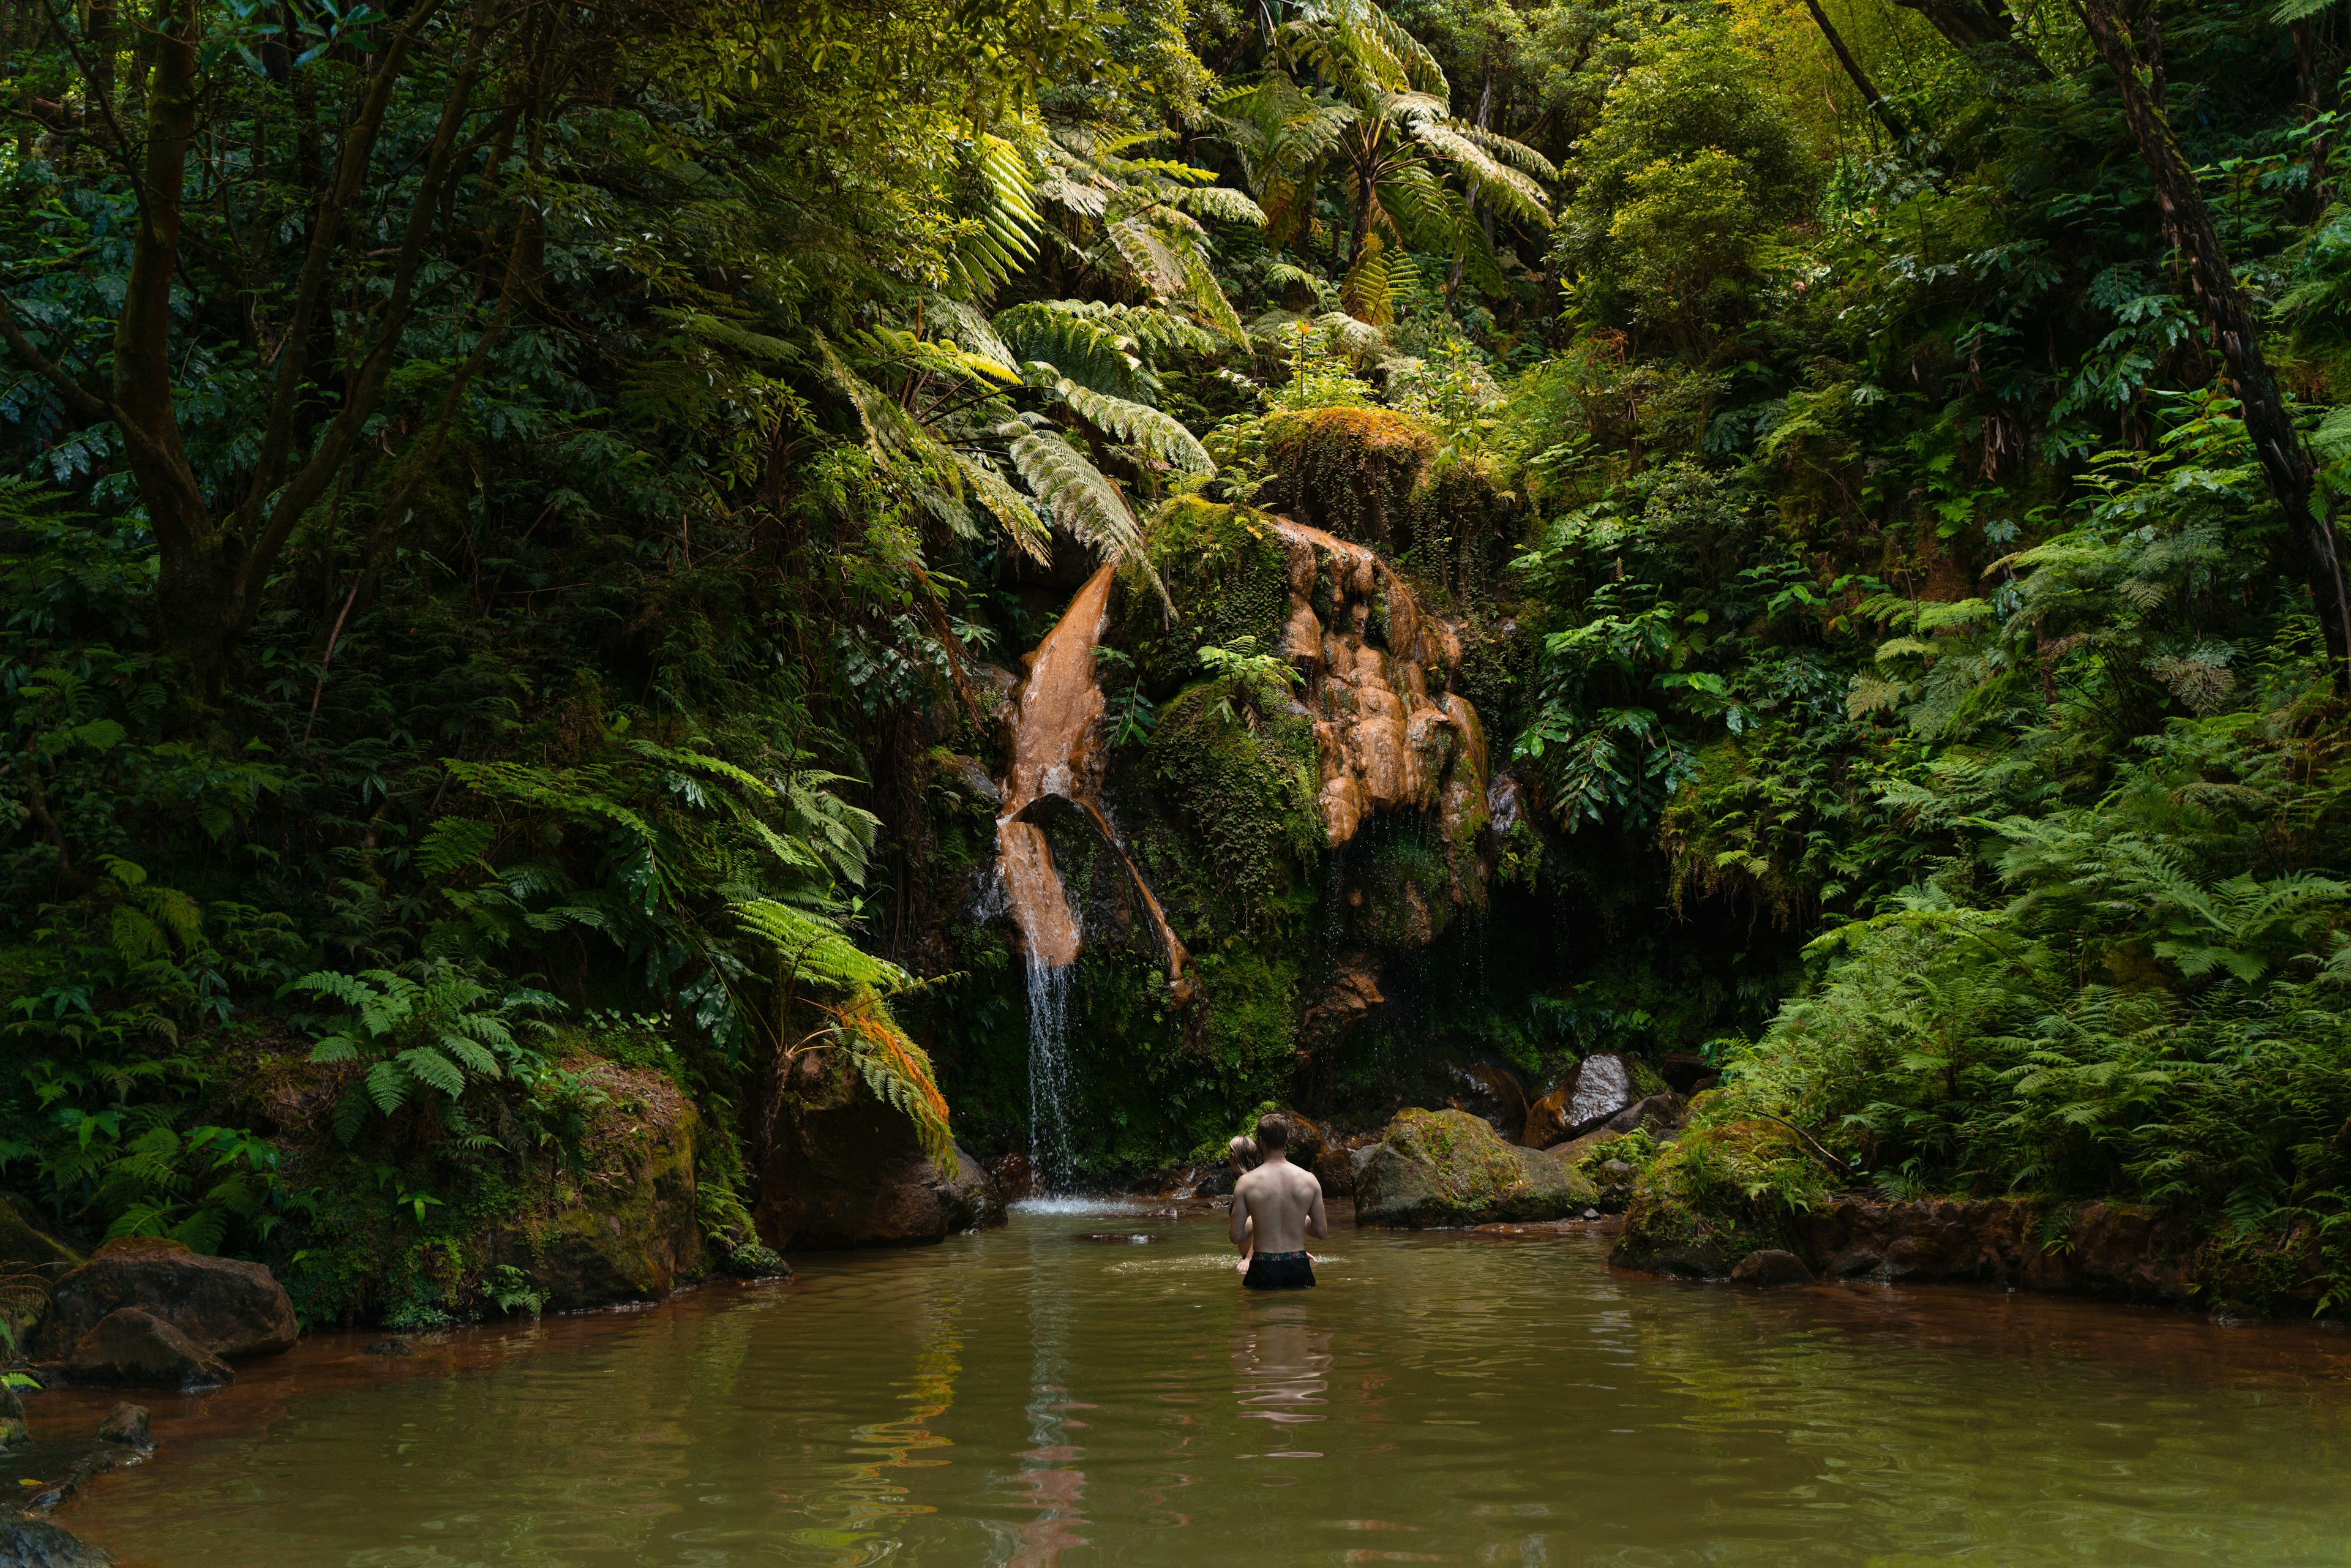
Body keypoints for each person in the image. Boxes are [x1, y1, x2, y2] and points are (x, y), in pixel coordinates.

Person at [1229, 1116, 1327, 1290]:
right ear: (1287, 1139)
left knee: (1260, 1314)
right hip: (1299, 1265)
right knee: (1297, 1315)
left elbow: (1236, 1236)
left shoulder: (1246, 1183)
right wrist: (1298, 1224)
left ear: (1260, 1141)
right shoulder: (1309, 1180)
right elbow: (1321, 1232)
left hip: (1263, 1266)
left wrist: (1257, 1223)